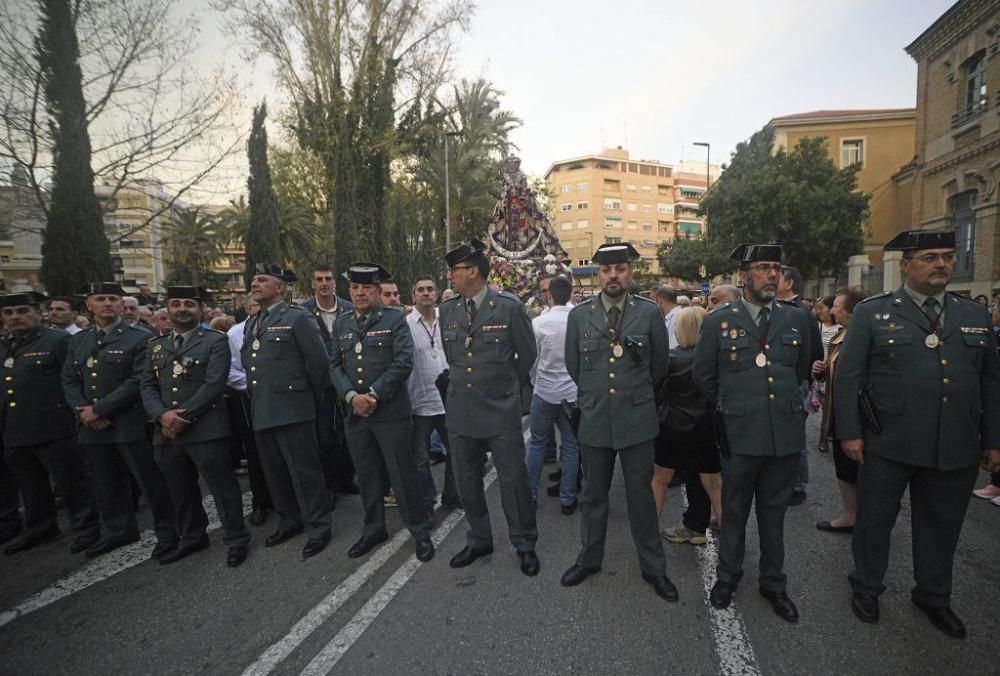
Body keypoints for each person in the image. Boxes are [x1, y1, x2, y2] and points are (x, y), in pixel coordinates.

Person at [834, 229, 1000, 639]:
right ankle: (867, 587)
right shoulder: (874, 313)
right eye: (929, 257)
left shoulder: (974, 315)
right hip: (888, 441)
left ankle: (933, 596)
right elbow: (849, 378)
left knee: (942, 526)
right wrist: (850, 434)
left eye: (946, 256)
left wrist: (993, 439)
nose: (941, 263)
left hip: (954, 445)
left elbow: (991, 383)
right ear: (906, 265)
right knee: (874, 521)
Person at [693, 244, 811, 623]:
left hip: (784, 435)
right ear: (744, 275)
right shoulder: (718, 321)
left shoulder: (797, 319)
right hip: (739, 434)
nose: (772, 275)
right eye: (763, 268)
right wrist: (734, 407)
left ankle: (774, 584)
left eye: (776, 268)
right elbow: (704, 377)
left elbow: (803, 368)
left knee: (774, 515)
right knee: (734, 511)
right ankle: (727, 577)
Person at [559, 243, 678, 603]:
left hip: (637, 419)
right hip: (595, 418)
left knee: (641, 497)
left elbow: (659, 367)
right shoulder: (580, 315)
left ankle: (654, 568)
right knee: (594, 494)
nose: (613, 275)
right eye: (607, 269)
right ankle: (588, 559)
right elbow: (573, 366)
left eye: (620, 269)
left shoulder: (649, 313)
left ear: (630, 273)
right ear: (598, 274)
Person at [439, 238, 540, 576]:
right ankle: (479, 538)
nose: (450, 277)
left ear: (473, 272)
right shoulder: (448, 309)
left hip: (499, 410)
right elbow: (454, 356)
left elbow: (527, 356)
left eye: (455, 270)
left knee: (513, 481)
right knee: (467, 481)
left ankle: (524, 543)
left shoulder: (508, 307)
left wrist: (504, 385)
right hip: (461, 410)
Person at [61, 282, 178, 559]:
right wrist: (84, 410)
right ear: (89, 305)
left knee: (150, 482)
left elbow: (138, 379)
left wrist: (100, 409)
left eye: (113, 298)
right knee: (105, 482)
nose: (108, 304)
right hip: (91, 426)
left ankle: (168, 532)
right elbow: (68, 379)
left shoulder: (140, 336)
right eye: (100, 299)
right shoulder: (79, 340)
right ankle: (119, 530)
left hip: (129, 422)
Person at [330, 264, 435, 562]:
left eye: (366, 288)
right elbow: (334, 365)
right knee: (367, 475)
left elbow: (403, 361)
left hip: (389, 413)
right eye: (355, 288)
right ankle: (374, 527)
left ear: (377, 291)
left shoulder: (394, 319)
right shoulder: (342, 324)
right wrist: (352, 397)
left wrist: (373, 394)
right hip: (357, 415)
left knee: (402, 475)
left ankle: (419, 529)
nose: (360, 293)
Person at [140, 287, 250, 567]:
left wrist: (180, 417)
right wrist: (162, 416)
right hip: (165, 432)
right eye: (176, 304)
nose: (182, 309)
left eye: (189, 304)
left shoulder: (215, 341)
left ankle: (236, 539)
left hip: (205, 428)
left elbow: (213, 384)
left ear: (200, 309)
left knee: (222, 489)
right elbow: (148, 385)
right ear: (167, 309)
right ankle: (192, 537)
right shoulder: (156, 345)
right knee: (180, 490)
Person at [242, 264, 332, 560]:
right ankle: (289, 519)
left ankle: (319, 526)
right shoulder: (252, 322)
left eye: (262, 280)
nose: (255, 283)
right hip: (262, 410)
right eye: (254, 279)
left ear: (280, 288)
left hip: (294, 409)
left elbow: (319, 364)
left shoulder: (297, 318)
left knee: (305, 472)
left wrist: (310, 400)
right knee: (275, 473)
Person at [1, 291, 100, 555]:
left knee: (71, 482)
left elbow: (75, 379)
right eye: (9, 313)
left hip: (55, 426)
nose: (15, 317)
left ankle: (88, 526)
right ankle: (41, 527)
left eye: (22, 311)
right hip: (16, 428)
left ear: (39, 312)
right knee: (30, 485)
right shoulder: (6, 344)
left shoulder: (57, 341)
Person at [654, 306, 722, 546]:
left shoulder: (670, 358)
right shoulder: (715, 358)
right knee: (713, 483)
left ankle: (649, 535)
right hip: (706, 427)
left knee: (660, 479)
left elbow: (657, 391)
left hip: (672, 426)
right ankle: (731, 536)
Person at [297, 264, 360, 503]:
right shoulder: (302, 312)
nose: (324, 283)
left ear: (335, 282)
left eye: (328, 278)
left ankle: (346, 478)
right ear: (312, 284)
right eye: (319, 279)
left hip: (347, 380)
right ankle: (330, 484)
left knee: (347, 433)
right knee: (324, 435)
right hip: (319, 383)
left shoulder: (349, 308)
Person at [813, 286, 868, 534]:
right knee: (844, 467)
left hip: (863, 415)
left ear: (851, 310)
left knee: (865, 469)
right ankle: (850, 515)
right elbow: (835, 373)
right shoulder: (838, 336)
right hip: (837, 411)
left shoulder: (867, 336)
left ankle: (870, 516)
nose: (832, 309)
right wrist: (821, 371)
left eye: (836, 305)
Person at [526, 276, 580, 514]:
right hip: (571, 393)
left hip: (545, 391)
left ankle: (531, 495)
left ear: (548, 295)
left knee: (537, 444)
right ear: (570, 294)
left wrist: (536, 380)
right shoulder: (579, 319)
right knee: (571, 445)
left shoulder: (539, 323)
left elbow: (532, 358)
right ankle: (568, 499)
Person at [406, 276, 460, 512]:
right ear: (413, 296)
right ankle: (427, 503)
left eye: (430, 289)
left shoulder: (448, 319)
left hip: (448, 401)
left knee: (457, 453)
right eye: (421, 290)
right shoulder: (405, 324)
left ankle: (451, 495)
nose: (425, 293)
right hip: (419, 402)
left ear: (436, 294)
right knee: (420, 459)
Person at [777, 265, 823, 506]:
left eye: (778, 276)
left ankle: (797, 486)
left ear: (790, 283)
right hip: (786, 383)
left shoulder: (801, 312)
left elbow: (814, 351)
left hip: (796, 383)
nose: (772, 279)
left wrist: (803, 380)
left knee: (795, 436)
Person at [226, 295, 272, 526]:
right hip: (250, 400)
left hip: (279, 399)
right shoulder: (234, 333)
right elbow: (230, 371)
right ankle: (261, 503)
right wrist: (256, 384)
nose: (259, 310)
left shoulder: (279, 325)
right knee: (255, 453)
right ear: (248, 309)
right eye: (255, 306)